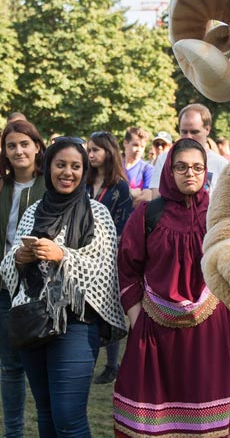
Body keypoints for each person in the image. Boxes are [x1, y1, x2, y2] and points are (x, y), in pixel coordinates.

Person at [114, 139, 230, 437]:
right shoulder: (147, 215)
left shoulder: (220, 215)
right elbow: (127, 268)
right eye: (181, 166)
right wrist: (137, 317)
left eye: (197, 167)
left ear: (206, 171)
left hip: (209, 330)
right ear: (169, 170)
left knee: (207, 409)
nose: (189, 173)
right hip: (155, 330)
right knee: (154, 412)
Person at [0, 137, 127, 437]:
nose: (67, 172)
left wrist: (62, 256)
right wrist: (20, 257)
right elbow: (10, 266)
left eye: (75, 166)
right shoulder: (33, 212)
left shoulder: (99, 215)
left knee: (69, 418)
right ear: (48, 167)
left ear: (85, 171)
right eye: (60, 165)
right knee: (45, 413)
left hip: (77, 324)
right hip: (34, 319)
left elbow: (103, 271)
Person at [0, 120, 47, 438]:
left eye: (24, 144)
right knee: (11, 366)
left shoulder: (51, 184)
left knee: (42, 366)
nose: (18, 150)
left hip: (40, 291)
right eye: (12, 145)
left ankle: (50, 426)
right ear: (4, 150)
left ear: (37, 147)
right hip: (1, 290)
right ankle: (12, 432)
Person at [86, 130, 133, 385]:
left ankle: (111, 364)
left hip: (108, 257)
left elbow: (122, 226)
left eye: (96, 150)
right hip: (82, 256)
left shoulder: (120, 187)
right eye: (89, 149)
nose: (90, 154)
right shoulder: (83, 181)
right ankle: (87, 360)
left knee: (108, 310)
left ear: (109, 152)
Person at [148, 104, 229, 199]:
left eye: (194, 132)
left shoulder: (221, 164)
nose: (188, 137)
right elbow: (157, 197)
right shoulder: (164, 159)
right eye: (184, 132)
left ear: (207, 130)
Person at [123, 127, 153, 204]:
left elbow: (147, 198)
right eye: (135, 145)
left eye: (142, 146)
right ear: (125, 143)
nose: (139, 150)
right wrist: (132, 193)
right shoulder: (115, 167)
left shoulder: (148, 169)